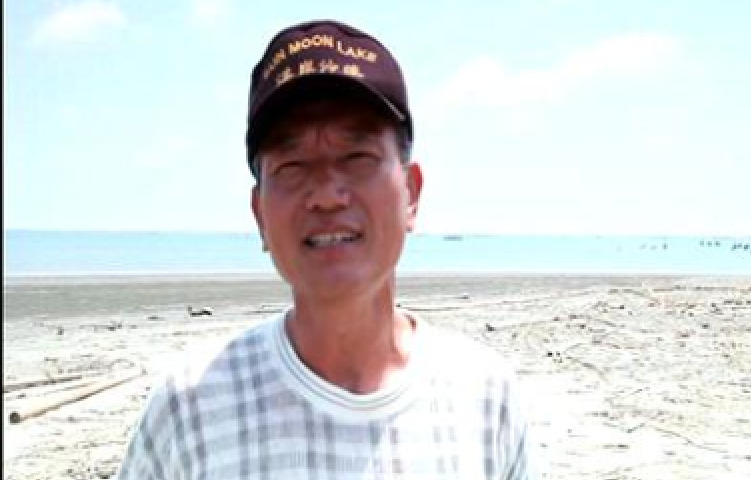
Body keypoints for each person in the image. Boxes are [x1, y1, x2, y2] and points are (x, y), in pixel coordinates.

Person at [117, 19, 537, 479]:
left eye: (357, 158)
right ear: (260, 214)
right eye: (293, 165)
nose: (327, 195)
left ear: (411, 194)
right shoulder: (188, 411)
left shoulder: (487, 401)